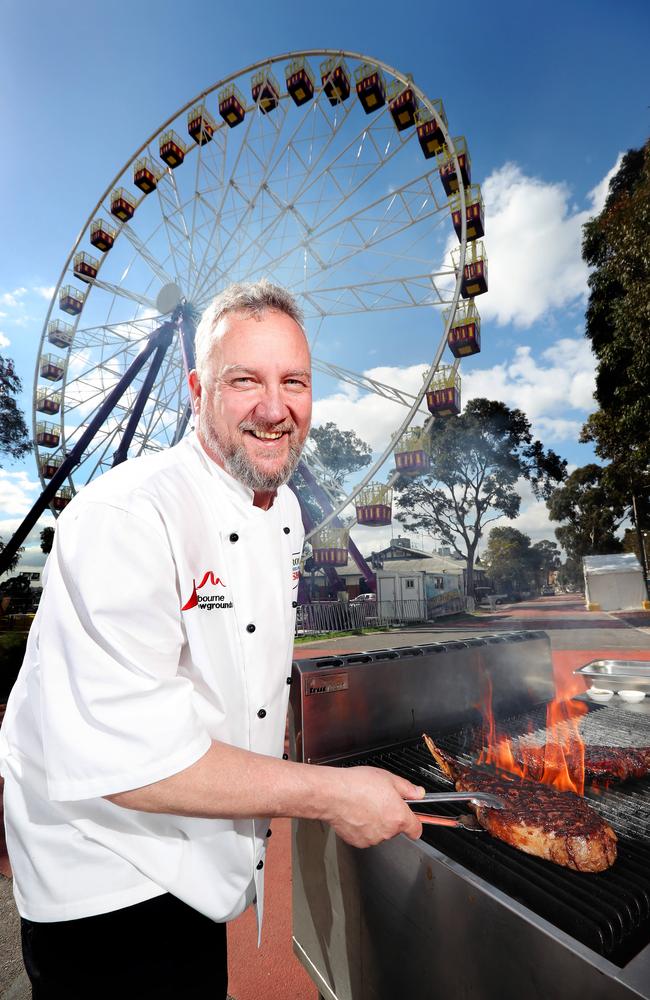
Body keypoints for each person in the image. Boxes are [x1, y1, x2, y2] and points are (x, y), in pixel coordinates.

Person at [0, 280, 424, 999]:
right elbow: (132, 763)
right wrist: (331, 795)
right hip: (103, 872)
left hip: (201, 859)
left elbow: (233, 654)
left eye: (294, 381)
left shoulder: (283, 508)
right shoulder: (124, 516)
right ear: (196, 389)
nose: (273, 407)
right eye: (244, 381)